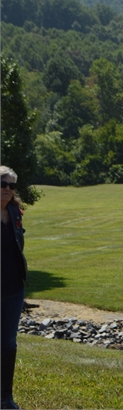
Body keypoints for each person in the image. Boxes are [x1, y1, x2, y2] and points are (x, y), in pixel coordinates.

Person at [1, 166, 27, 410]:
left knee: (8, 343)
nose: (7, 189)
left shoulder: (15, 212)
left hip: (12, 288)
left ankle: (5, 398)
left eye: (11, 185)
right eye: (2, 183)